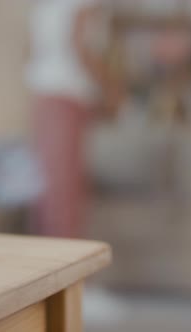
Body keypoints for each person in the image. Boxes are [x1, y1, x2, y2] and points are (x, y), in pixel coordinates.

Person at [26, 0, 119, 237]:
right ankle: (65, 265)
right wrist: (111, 89)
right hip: (65, 97)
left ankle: (56, 260)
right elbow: (80, 47)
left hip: (51, 96)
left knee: (55, 187)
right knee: (64, 191)